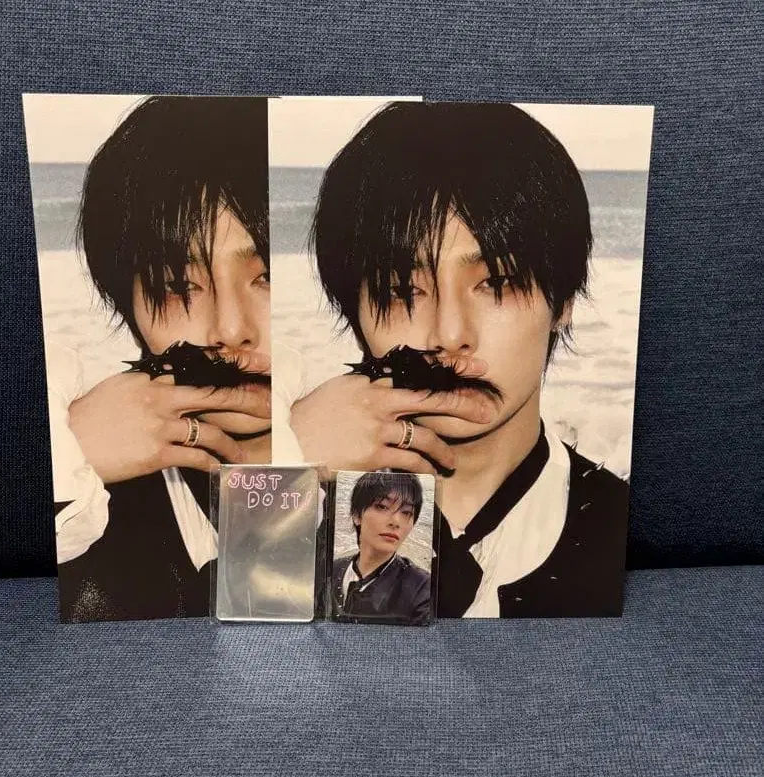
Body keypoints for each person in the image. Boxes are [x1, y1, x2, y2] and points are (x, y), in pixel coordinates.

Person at [288, 101, 629, 619]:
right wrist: (285, 471)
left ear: (562, 301)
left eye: (496, 281)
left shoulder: (618, 524)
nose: (449, 335)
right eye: (403, 289)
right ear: (354, 313)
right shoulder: (295, 503)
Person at [49, 96, 271, 622]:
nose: (231, 331)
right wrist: (70, 460)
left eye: (268, 277)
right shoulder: (78, 478)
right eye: (178, 284)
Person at [332, 472, 431, 624]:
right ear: (357, 515)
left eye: (406, 512)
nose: (396, 522)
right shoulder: (331, 570)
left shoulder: (422, 588)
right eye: (382, 506)